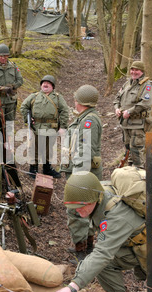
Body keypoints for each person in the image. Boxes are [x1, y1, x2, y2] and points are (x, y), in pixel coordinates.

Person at [52, 171, 152, 292]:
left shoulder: (116, 215)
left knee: (103, 264)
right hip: (129, 240)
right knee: (100, 265)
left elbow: (103, 254)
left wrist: (73, 287)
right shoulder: (99, 192)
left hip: (151, 245)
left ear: (94, 199)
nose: (77, 210)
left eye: (81, 206)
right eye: (74, 206)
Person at [60, 84, 103, 264]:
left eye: (76, 99)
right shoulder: (84, 118)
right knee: (86, 209)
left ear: (81, 101)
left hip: (82, 174)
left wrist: (77, 181)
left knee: (77, 210)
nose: (74, 101)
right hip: (81, 172)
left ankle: (82, 253)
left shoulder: (88, 121)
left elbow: (85, 152)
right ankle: (87, 245)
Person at [20, 75, 69, 179]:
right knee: (34, 148)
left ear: (52, 86)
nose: (45, 84)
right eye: (43, 83)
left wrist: (63, 127)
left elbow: (64, 111)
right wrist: (28, 119)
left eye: (48, 83)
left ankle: (47, 168)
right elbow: (23, 106)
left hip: (51, 128)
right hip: (36, 128)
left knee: (48, 149)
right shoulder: (34, 96)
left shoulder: (58, 97)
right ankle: (33, 169)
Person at [113, 60, 152, 168]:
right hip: (125, 123)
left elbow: (145, 103)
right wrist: (117, 108)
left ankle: (139, 174)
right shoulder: (127, 83)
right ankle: (131, 172)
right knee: (128, 149)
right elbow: (117, 98)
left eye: (137, 70)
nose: (133, 72)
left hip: (138, 123)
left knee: (136, 149)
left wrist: (129, 111)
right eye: (132, 69)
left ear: (142, 71)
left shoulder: (147, 85)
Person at [0, 43, 23, 139]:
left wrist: (12, 87)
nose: (3, 58)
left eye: (5, 56)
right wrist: (1, 88)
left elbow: (20, 81)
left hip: (10, 100)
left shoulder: (14, 67)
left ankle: (9, 144)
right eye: (1, 56)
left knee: (10, 123)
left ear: (8, 56)